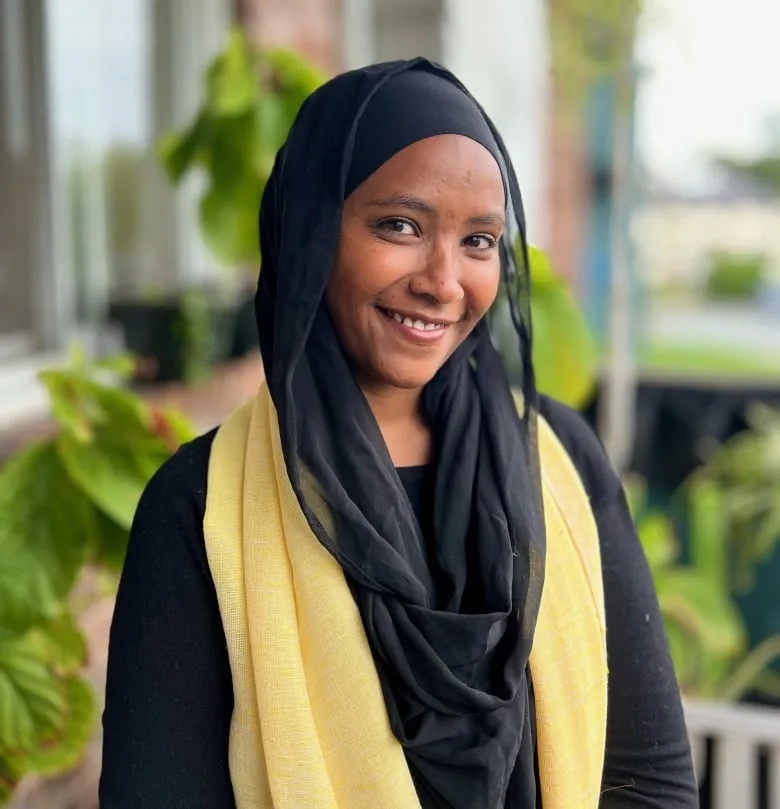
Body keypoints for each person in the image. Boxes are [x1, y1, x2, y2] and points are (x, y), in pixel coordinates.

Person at [99, 59, 698, 808]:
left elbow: (648, 780)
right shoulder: (199, 508)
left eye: (480, 240)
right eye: (400, 226)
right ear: (311, 233)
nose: (444, 281)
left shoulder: (559, 462)